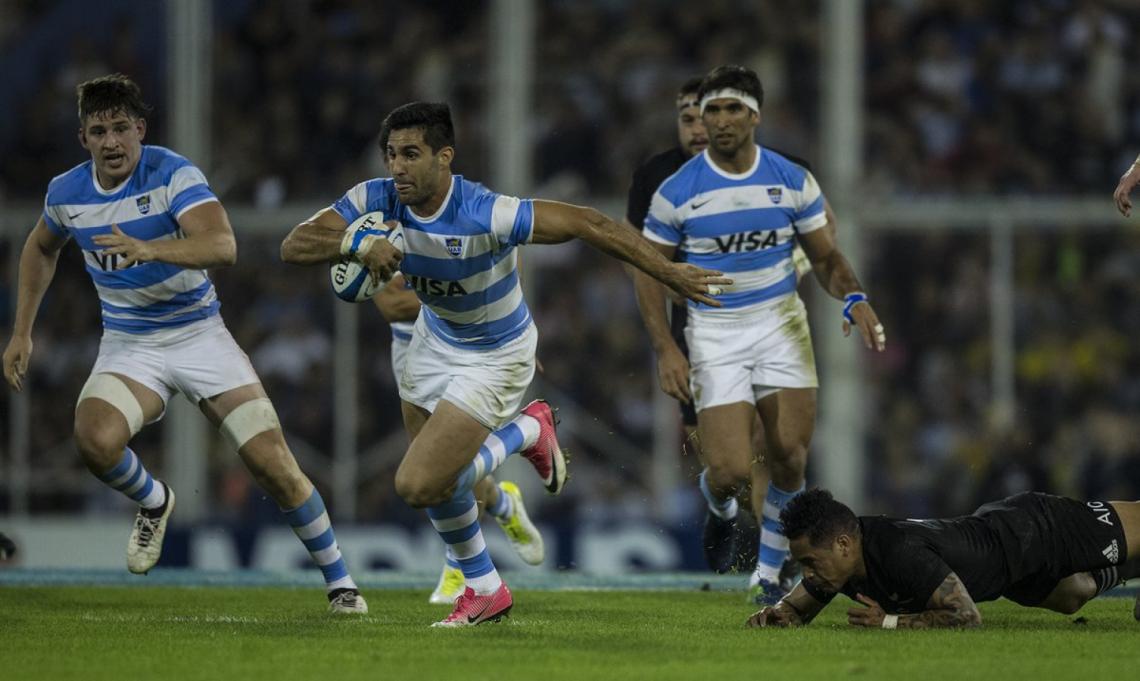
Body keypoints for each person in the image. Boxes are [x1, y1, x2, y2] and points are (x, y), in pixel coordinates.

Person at [281, 101, 728, 626]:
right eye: (391, 154)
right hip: (433, 338)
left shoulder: (486, 213)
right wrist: (356, 240)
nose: (397, 166)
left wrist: (670, 272)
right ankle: (485, 587)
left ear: (444, 157)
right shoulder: (374, 200)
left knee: (418, 484)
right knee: (440, 480)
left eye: (411, 154)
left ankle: (527, 432)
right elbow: (294, 245)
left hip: (496, 354)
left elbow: (587, 223)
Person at [0, 74, 366, 613]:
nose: (112, 142)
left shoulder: (173, 173)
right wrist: (22, 330)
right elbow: (39, 248)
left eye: (121, 128)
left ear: (140, 129)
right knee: (94, 440)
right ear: (83, 138)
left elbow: (223, 244)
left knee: (274, 465)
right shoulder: (66, 193)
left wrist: (152, 251)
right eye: (99, 131)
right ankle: (155, 502)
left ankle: (341, 583)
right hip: (130, 344)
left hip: (200, 336)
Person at [634, 65, 886, 606]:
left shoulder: (792, 179)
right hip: (714, 331)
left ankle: (767, 574)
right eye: (711, 111)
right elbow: (648, 271)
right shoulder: (675, 191)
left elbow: (826, 257)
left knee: (789, 454)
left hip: (780, 324)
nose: (719, 121)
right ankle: (717, 501)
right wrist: (665, 347)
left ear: (755, 115)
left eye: (731, 109)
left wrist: (855, 295)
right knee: (727, 470)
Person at [372, 275, 545, 604]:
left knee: (444, 467)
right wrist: (464, 296)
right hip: (412, 347)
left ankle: (460, 566)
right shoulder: (372, 228)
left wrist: (512, 335)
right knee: (433, 467)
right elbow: (392, 306)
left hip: (470, 346)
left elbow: (505, 282)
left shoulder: (469, 226)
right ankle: (503, 500)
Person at [747, 488, 1140, 628]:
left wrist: (886, 622)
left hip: (1036, 527)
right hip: (1009, 569)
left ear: (844, 545)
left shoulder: (897, 552)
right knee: (1073, 596)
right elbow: (796, 608)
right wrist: (779, 613)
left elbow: (966, 617)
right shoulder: (840, 563)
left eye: (811, 562)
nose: (809, 575)